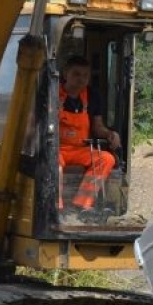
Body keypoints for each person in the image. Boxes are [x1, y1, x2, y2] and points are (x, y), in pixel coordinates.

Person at [58, 56, 121, 213]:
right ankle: (55, 207)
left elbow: (98, 127)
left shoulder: (93, 96)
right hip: (57, 149)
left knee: (106, 158)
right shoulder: (52, 93)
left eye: (85, 75)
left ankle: (82, 205)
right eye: (76, 74)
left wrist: (110, 134)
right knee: (51, 162)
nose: (81, 79)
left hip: (80, 149)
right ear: (65, 74)